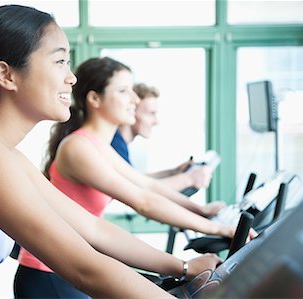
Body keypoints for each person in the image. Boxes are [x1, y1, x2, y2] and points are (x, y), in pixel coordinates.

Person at [0, 5, 222, 299]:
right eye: (59, 61)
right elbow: (84, 267)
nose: (71, 77)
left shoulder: (4, 154)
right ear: (6, 75)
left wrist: (182, 266)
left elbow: (92, 228)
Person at [15, 56, 256, 298]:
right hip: (48, 272)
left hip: (69, 264)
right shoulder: (78, 147)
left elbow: (146, 185)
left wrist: (202, 211)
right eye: (123, 91)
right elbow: (143, 201)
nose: (134, 99)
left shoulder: (97, 145)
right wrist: (219, 229)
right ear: (94, 99)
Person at [111, 82, 213, 192]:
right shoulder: (114, 144)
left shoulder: (119, 143)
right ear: (131, 111)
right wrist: (189, 179)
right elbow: (135, 190)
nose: (156, 121)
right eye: (151, 113)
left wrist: (173, 172)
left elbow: (137, 180)